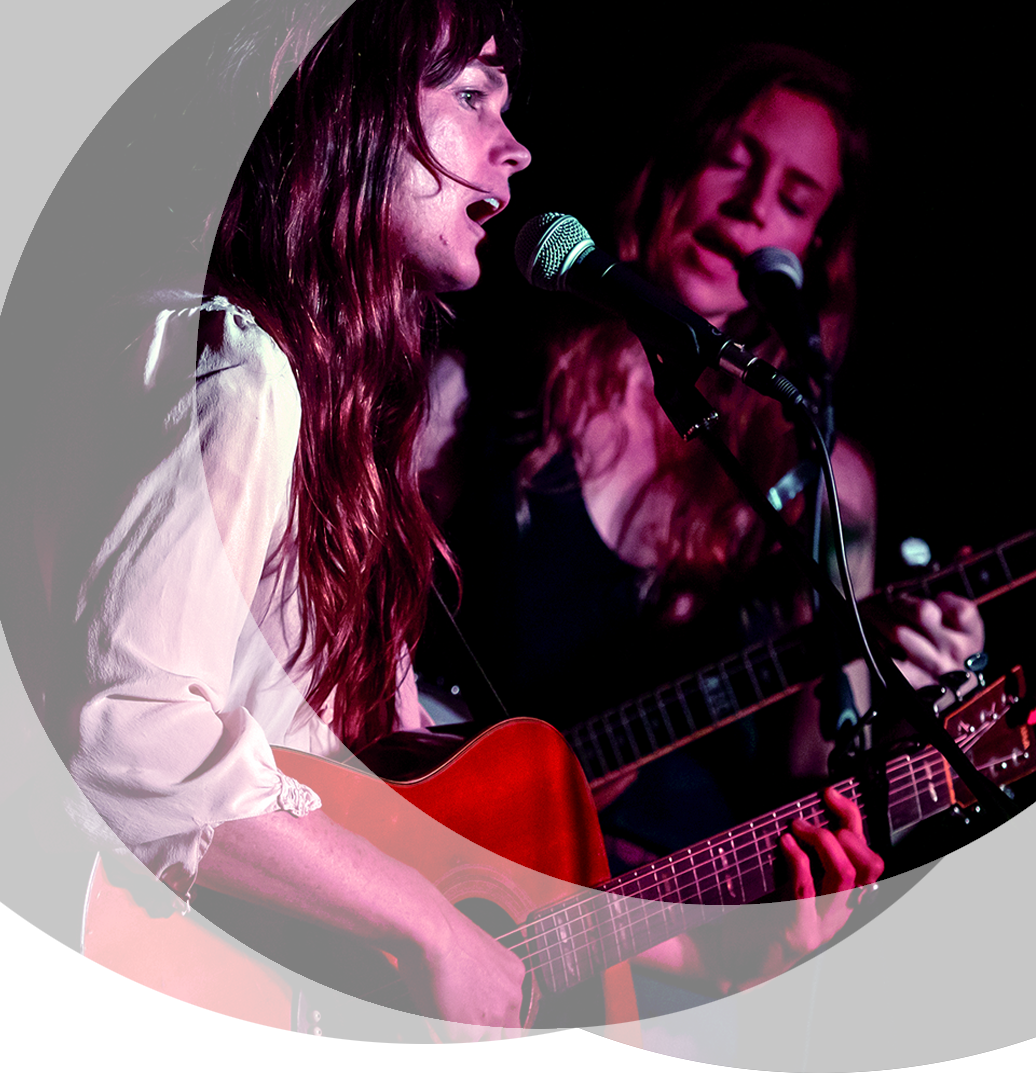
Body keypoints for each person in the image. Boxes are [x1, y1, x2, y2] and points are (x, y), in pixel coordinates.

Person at [0, 5, 884, 1070]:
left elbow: (425, 842)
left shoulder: (323, 395)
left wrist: (708, 948)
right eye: (472, 95)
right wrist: (430, 927)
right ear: (350, 105)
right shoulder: (235, 369)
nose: (518, 146)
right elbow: (130, 745)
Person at [418, 43, 986, 1069]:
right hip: (455, 904)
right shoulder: (487, 378)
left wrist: (916, 691)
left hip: (657, 948)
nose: (754, 204)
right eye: (736, 157)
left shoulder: (824, 478)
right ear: (675, 163)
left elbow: (823, 767)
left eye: (798, 192)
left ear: (818, 243)